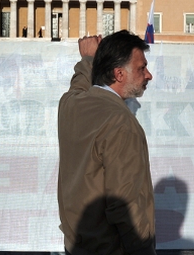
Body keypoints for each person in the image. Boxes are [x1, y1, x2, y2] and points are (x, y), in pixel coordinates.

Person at [58, 30, 156, 255]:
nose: (148, 75)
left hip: (77, 245)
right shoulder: (122, 122)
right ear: (119, 74)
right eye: (142, 68)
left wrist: (88, 59)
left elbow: (79, 86)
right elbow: (126, 203)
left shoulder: (69, 105)